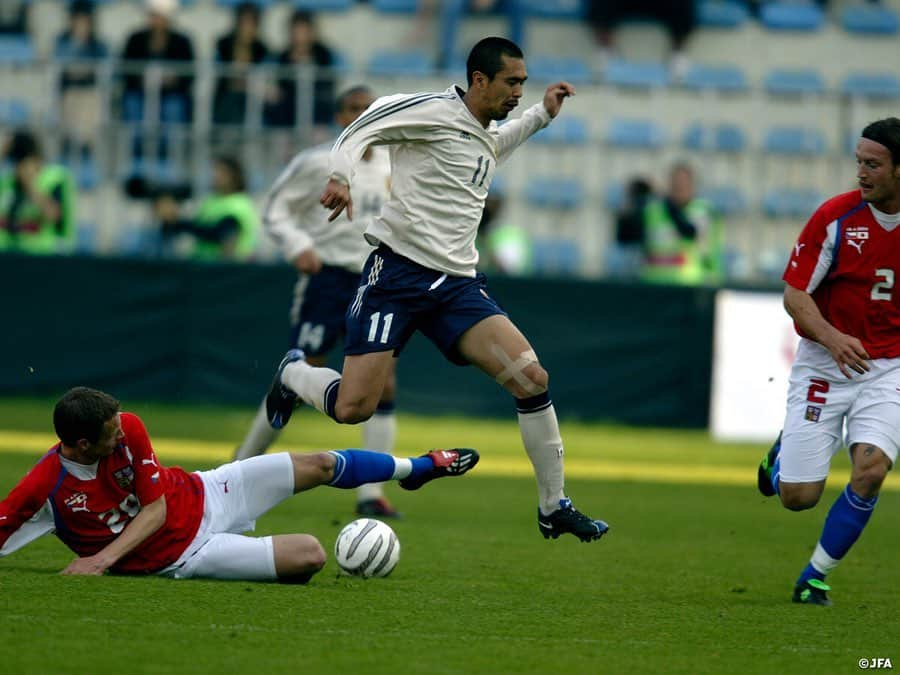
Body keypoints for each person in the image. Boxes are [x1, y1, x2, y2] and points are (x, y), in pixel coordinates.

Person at [266, 37, 609, 542]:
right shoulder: (431, 111)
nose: (518, 91)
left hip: (456, 286)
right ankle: (294, 374)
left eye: (523, 83)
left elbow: (492, 148)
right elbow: (364, 124)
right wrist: (341, 176)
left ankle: (553, 505)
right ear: (479, 80)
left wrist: (541, 114)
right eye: (512, 82)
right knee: (352, 409)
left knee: (531, 378)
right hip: (397, 278)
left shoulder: (481, 134)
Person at [0, 387, 478, 581]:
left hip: (206, 492)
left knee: (318, 464)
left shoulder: (129, 426)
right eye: (110, 434)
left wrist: (101, 559)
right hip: (185, 557)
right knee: (311, 555)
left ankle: (418, 468)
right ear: (81, 445)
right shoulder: (44, 486)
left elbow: (156, 509)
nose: (121, 432)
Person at [234, 86, 400, 518]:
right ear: (340, 117)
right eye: (354, 110)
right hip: (326, 278)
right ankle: (239, 468)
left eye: (370, 109)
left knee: (382, 381)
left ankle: (371, 494)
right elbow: (275, 209)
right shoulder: (316, 163)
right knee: (298, 371)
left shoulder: (394, 165)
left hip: (376, 280)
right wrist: (296, 245)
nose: (363, 116)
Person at [756, 117, 900, 606]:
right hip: (825, 362)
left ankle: (815, 575)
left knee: (872, 470)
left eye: (873, 164)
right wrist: (834, 338)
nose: (861, 172)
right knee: (799, 497)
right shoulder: (836, 218)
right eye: (859, 161)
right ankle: (780, 459)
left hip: (888, 368)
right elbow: (795, 296)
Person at [120, 0, 195, 162]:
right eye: (155, 16)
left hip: (171, 94)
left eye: (162, 16)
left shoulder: (182, 42)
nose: (158, 21)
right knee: (133, 106)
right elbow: (125, 71)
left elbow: (189, 75)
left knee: (174, 108)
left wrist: (172, 79)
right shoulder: (135, 39)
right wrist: (143, 79)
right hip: (140, 92)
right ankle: (137, 156)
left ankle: (170, 157)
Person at [156, 154, 259, 261]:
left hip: (229, 270)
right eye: (215, 172)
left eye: (221, 172)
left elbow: (219, 234)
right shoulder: (211, 201)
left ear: (234, 176)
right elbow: (198, 227)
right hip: (204, 267)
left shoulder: (239, 204)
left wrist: (180, 223)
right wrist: (171, 219)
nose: (216, 176)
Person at [641, 162, 722, 286]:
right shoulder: (652, 210)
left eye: (683, 183)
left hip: (689, 284)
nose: (679, 187)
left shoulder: (702, 211)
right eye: (675, 182)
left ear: (692, 185)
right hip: (654, 283)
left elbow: (690, 233)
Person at [0, 130, 76, 255]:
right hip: (9, 256)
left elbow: (54, 215)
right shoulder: (7, 183)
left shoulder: (56, 178)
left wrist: (29, 186)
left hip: (48, 257)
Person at [53, 0, 109, 167]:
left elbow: (103, 71)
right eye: (78, 20)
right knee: (71, 100)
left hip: (90, 95)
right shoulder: (62, 42)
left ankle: (86, 156)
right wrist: (77, 42)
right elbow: (62, 66)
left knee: (90, 103)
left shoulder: (99, 45)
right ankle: (69, 151)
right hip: (68, 94)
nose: (81, 24)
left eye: (85, 20)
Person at [264, 10, 336, 130]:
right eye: (296, 31)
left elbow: (327, 84)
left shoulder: (324, 54)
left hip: (316, 104)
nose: (299, 36)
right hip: (288, 106)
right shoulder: (282, 56)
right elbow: (280, 86)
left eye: (303, 31)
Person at [212, 2, 269, 127]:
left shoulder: (262, 49)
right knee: (233, 100)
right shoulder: (223, 45)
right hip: (226, 97)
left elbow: (263, 80)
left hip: (254, 98)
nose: (247, 28)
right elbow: (229, 79)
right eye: (244, 23)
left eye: (251, 23)